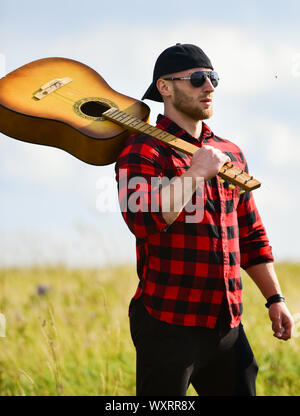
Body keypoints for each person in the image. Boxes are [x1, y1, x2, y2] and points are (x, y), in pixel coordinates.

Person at [114, 43, 294, 396]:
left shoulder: (230, 153)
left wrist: (275, 299)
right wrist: (195, 173)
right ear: (164, 87)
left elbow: (251, 234)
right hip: (168, 325)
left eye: (212, 78)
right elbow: (143, 220)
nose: (209, 87)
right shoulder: (141, 151)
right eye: (197, 79)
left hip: (227, 325)